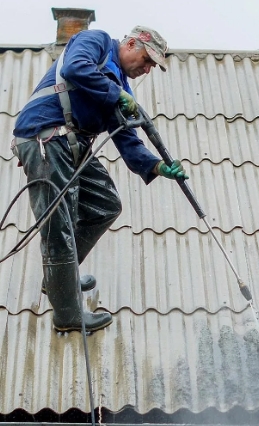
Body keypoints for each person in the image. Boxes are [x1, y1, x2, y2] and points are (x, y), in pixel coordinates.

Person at [11, 26, 187, 333]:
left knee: (106, 205)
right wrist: (116, 94)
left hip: (74, 145)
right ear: (130, 44)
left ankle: (59, 279)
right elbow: (74, 68)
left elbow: (127, 140)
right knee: (59, 224)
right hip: (47, 137)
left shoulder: (121, 87)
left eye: (152, 66)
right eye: (146, 60)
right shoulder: (97, 41)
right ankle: (67, 315)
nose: (147, 69)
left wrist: (158, 166)